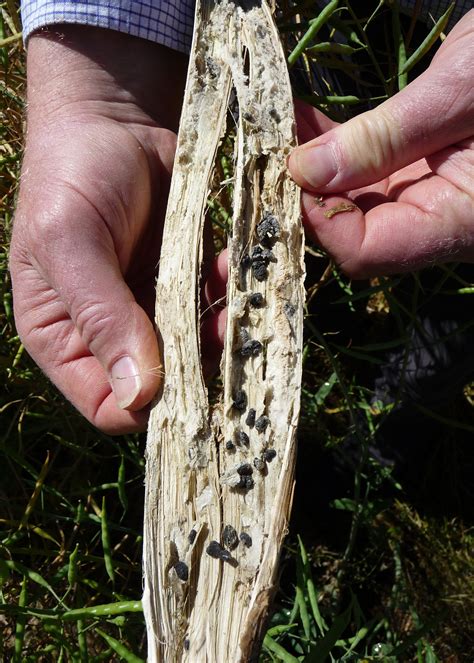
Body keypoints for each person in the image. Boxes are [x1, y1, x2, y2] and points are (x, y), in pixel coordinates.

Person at [9, 2, 473, 434]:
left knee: (444, 309)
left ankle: (389, 432)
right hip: (338, 25)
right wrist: (95, 90)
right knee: (321, 252)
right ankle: (341, 387)